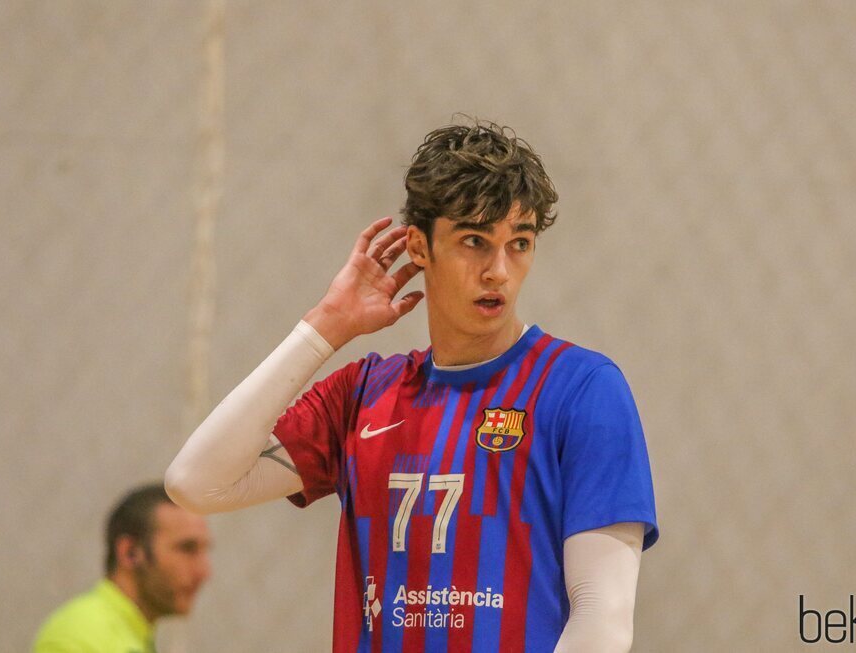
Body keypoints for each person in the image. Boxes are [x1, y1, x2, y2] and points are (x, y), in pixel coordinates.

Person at [165, 119, 659, 652]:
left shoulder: (582, 389)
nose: (499, 270)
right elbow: (197, 483)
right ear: (419, 248)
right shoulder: (363, 395)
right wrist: (325, 327)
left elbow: (602, 620)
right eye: (475, 240)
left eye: (520, 243)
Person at [32, 484, 212, 653]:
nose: (204, 572)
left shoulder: (132, 635)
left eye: (204, 551)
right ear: (130, 553)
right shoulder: (77, 637)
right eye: (187, 549)